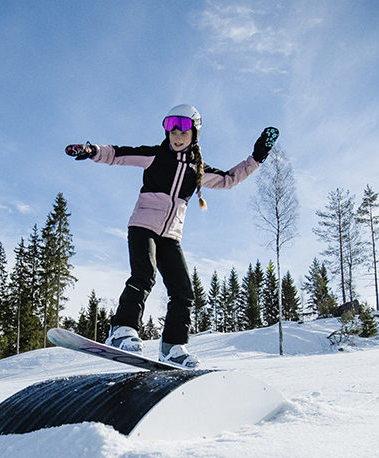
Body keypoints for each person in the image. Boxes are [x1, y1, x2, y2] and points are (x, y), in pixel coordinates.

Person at [66, 104, 278, 368]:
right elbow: (119, 154)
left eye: (183, 132)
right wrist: (91, 151)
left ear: (194, 134)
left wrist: (257, 157)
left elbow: (229, 179)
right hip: (143, 226)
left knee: (184, 292)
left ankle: (172, 347)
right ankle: (122, 329)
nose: (177, 137)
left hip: (171, 236)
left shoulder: (197, 170)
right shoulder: (155, 156)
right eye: (171, 131)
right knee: (144, 276)